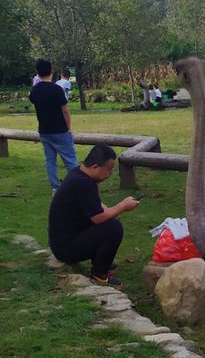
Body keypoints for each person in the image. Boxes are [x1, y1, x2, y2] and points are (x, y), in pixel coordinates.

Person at [48, 143, 140, 287]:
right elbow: (97, 218)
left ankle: (101, 261)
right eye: (108, 170)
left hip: (66, 240)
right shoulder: (82, 183)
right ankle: (99, 273)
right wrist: (122, 206)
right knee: (113, 228)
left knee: (110, 220)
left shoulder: (78, 174)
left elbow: (94, 205)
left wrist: (111, 211)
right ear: (95, 167)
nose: (109, 175)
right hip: (65, 248)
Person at [29, 58, 78, 191]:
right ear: (52, 70)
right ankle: (77, 185)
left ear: (37, 73)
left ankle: (55, 187)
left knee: (50, 160)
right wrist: (68, 128)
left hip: (44, 131)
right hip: (60, 130)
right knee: (70, 160)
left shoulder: (35, 91)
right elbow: (65, 110)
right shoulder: (57, 89)